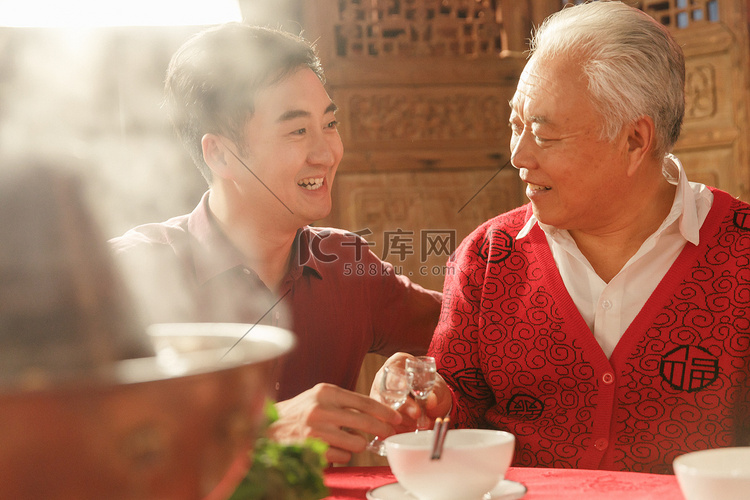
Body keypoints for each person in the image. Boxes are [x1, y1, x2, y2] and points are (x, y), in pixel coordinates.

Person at [380, 1, 750, 474]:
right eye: (516, 126)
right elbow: (449, 424)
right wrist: (422, 407)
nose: (518, 155)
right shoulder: (489, 256)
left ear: (635, 140)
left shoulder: (739, 250)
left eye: (543, 134)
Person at [110, 23, 442, 464]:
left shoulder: (347, 265)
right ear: (220, 155)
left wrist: (415, 379)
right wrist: (260, 429)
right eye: (297, 131)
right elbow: (81, 436)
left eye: (330, 123)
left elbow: (467, 335)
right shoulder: (130, 274)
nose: (327, 153)